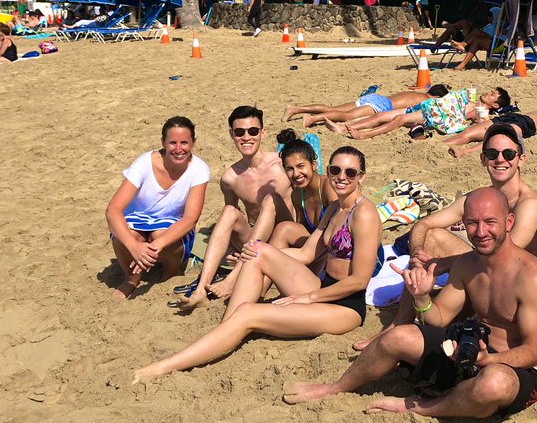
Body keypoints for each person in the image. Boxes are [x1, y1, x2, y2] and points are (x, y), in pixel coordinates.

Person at [283, 188, 537, 418]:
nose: (481, 231)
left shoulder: (534, 278)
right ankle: (337, 387)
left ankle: (426, 407)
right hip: (466, 352)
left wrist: (490, 360)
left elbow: (533, 352)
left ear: (509, 223)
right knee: (399, 336)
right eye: (472, 223)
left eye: (490, 222)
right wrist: (422, 297)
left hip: (514, 369)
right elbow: (439, 318)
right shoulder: (468, 264)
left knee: (494, 384)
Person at [133, 146, 381, 382]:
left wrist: (310, 297)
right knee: (257, 249)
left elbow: (359, 280)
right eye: (335, 170)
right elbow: (306, 254)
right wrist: (256, 254)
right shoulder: (336, 208)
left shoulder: (365, 214)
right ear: (327, 170)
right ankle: (226, 332)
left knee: (248, 313)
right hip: (322, 286)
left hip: (344, 307)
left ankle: (164, 366)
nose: (341, 177)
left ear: (362, 177)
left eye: (350, 172)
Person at [356, 122, 537, 352]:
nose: (500, 159)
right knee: (430, 238)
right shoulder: (482, 199)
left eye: (508, 154)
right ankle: (398, 323)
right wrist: (417, 258)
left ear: (521, 159)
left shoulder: (529, 204)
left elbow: (509, 250)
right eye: (492, 154)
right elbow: (424, 224)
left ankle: (414, 325)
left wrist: (445, 263)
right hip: (492, 276)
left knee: (446, 312)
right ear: (483, 159)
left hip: (529, 290)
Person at [171, 106, 293, 309]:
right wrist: (228, 247)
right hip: (254, 238)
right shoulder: (231, 177)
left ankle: (232, 278)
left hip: (283, 239)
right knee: (228, 211)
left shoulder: (282, 165)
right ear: (232, 135)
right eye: (239, 132)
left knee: (271, 199)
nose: (247, 137)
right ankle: (201, 288)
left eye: (253, 131)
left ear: (263, 133)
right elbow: (231, 218)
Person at [105, 117, 210, 299]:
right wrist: (134, 246)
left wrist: (153, 247)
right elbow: (113, 210)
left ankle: (171, 271)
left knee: (160, 234)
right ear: (163, 143)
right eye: (172, 143)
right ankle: (131, 278)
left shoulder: (199, 169)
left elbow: (190, 218)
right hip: (138, 219)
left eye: (184, 142)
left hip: (170, 224)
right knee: (128, 232)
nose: (178, 149)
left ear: (193, 143)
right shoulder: (145, 163)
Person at [328, 87, 508, 141]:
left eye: (493, 95)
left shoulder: (481, 112)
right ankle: (344, 128)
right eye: (491, 91)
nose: (488, 93)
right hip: (428, 106)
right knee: (382, 115)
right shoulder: (472, 98)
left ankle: (365, 135)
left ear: (495, 104)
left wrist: (479, 117)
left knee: (399, 119)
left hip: (434, 116)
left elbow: (478, 126)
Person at [444, 98, 537, 157]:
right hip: (514, 117)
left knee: (499, 135)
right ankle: (443, 144)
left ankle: (465, 151)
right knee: (469, 132)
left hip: (527, 125)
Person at [269, 129, 336, 249]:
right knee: (283, 229)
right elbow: (301, 229)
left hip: (335, 246)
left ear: (314, 164)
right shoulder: (297, 195)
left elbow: (340, 226)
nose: (296, 174)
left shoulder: (328, 186)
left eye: (300, 166)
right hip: (317, 247)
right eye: (289, 169)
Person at [283, 84, 450, 128]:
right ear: (436, 97)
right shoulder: (424, 99)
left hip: (376, 97)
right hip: (382, 104)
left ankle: (295, 109)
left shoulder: (418, 93)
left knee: (333, 108)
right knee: (346, 117)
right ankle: (313, 119)